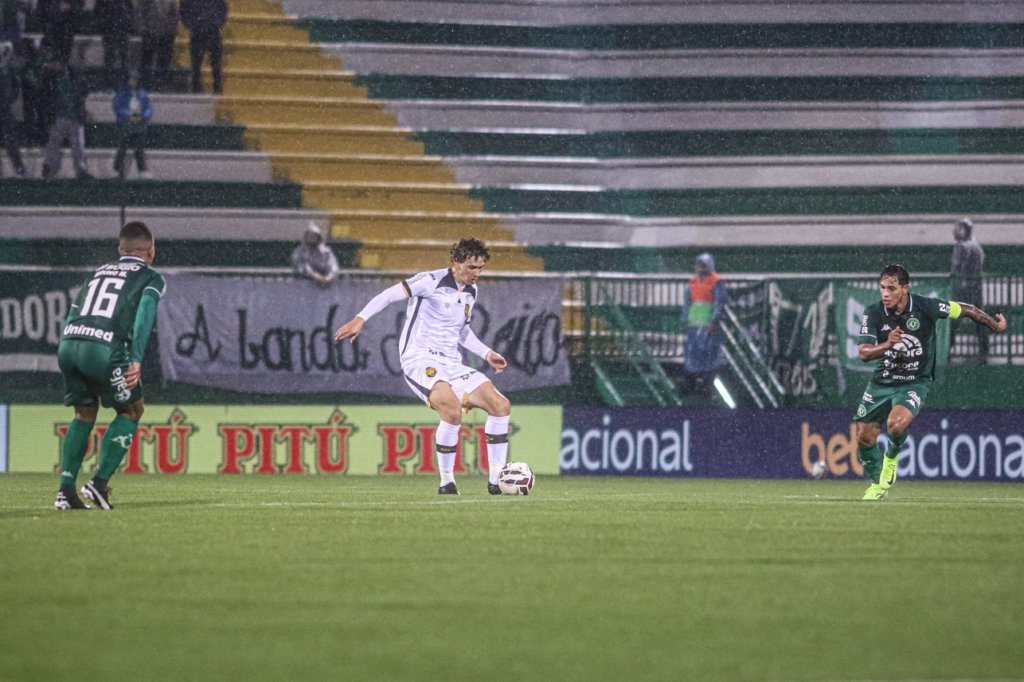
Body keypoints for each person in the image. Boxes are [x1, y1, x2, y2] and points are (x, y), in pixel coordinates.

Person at [333, 237, 512, 495]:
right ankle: (447, 482)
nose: (477, 273)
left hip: (452, 362)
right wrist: (360, 319)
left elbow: (461, 331)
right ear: (456, 262)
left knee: (500, 405)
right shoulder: (430, 281)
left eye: (481, 268)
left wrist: (487, 353)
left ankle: (497, 481)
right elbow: (389, 295)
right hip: (420, 358)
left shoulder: (472, 291)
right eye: (471, 267)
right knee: (451, 409)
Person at [852, 263, 1007, 501]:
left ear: (905, 288)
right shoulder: (873, 312)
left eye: (891, 288)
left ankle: (891, 458)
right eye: (882, 287)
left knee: (895, 425)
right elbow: (863, 353)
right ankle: (877, 484)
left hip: (914, 382)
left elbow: (967, 310)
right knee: (864, 437)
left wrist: (994, 325)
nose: (885, 294)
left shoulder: (926, 307)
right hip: (882, 381)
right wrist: (887, 344)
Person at [54, 221, 167, 510]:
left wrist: (72, 343)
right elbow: (144, 315)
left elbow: (75, 310)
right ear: (151, 251)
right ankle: (99, 483)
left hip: (70, 343)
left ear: (120, 249)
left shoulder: (97, 272)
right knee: (132, 410)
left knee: (83, 413)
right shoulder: (150, 277)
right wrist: (136, 358)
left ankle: (65, 490)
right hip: (103, 348)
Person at [679, 252, 727, 396]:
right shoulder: (693, 281)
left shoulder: (716, 281)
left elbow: (719, 302)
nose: (701, 267)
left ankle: (707, 385)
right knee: (693, 352)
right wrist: (685, 319)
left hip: (707, 324)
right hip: (694, 324)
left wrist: (714, 320)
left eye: (704, 265)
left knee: (708, 353)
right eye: (699, 264)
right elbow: (688, 302)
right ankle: (691, 384)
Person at [40, 55, 91, 179]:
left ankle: (80, 169)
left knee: (78, 144)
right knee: (54, 143)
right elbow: (47, 95)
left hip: (74, 116)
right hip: (60, 116)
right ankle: (47, 166)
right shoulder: (52, 78)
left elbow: (84, 91)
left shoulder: (76, 77)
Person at [950, 217, 988, 364]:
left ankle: (947, 349)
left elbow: (958, 267)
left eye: (957, 228)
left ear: (964, 230)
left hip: (964, 288)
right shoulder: (976, 245)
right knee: (979, 320)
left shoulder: (961, 246)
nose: (954, 231)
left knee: (953, 320)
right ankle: (983, 351)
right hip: (975, 287)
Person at [112, 69, 153, 179]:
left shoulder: (143, 94)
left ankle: (142, 170)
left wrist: (142, 116)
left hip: (139, 125)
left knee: (139, 148)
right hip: (126, 125)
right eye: (131, 79)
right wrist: (129, 115)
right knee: (122, 148)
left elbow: (149, 108)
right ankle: (117, 170)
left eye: (135, 79)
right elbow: (117, 107)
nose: (133, 82)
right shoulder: (122, 93)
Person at [179, 0, 226, 94]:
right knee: (196, 64)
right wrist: (191, 24)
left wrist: (217, 22)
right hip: (198, 32)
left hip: (212, 31)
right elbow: (183, 9)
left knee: (215, 63)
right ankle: (196, 88)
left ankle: (217, 88)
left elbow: (223, 8)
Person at [137, 0, 178, 90]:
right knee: (146, 60)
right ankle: (144, 84)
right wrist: (144, 30)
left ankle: (162, 84)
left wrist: (171, 32)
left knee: (164, 60)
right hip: (149, 33)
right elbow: (141, 13)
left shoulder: (170, 2)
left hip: (165, 35)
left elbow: (174, 17)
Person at [0, 39, 26, 177]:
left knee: (10, 139)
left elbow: (16, 86)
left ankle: (19, 167)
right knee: (10, 138)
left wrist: (10, 98)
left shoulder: (8, 69)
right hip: (4, 108)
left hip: (4, 109)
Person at [94, 0, 136, 81]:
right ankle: (110, 78)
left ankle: (122, 78)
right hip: (110, 29)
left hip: (122, 28)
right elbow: (98, 10)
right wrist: (104, 22)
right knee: (110, 55)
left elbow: (130, 10)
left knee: (123, 55)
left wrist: (128, 24)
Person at [290, 222, 340, 286]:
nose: (311, 238)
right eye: (309, 236)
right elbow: (299, 266)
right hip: (303, 285)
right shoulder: (299, 251)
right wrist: (314, 275)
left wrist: (328, 278)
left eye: (313, 236)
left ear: (319, 238)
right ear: (305, 237)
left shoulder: (326, 252)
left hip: (325, 285)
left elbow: (333, 266)